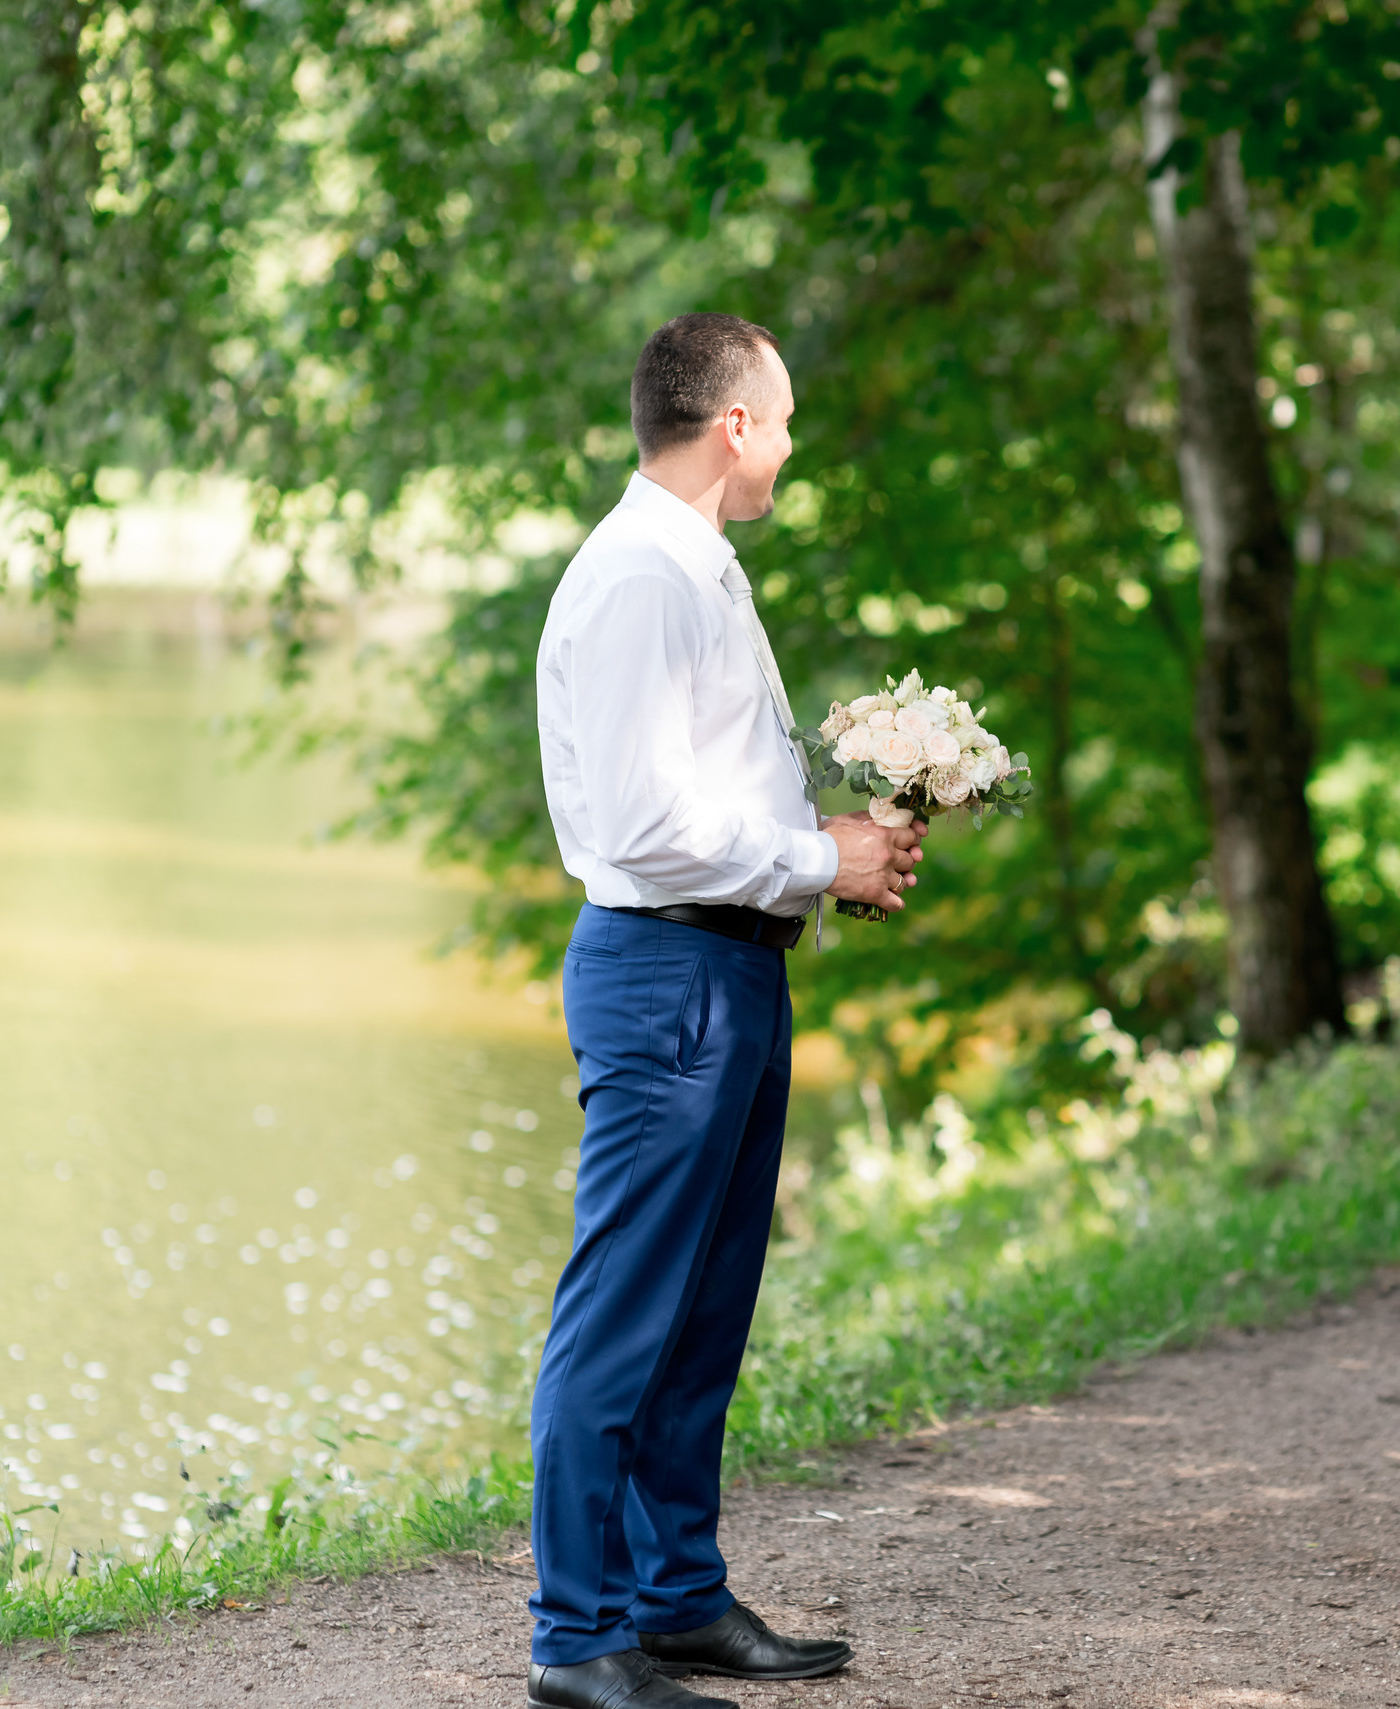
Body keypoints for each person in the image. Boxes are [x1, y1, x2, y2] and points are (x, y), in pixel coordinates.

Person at [526, 314, 923, 1709]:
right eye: (787, 416)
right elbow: (640, 824)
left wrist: (827, 847)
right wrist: (818, 858)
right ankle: (578, 1638)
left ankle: (676, 1598)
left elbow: (702, 799)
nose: (793, 442)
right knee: (624, 1311)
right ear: (735, 425)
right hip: (666, 976)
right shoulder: (642, 577)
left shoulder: (696, 566)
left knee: (703, 1312)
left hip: (731, 963)